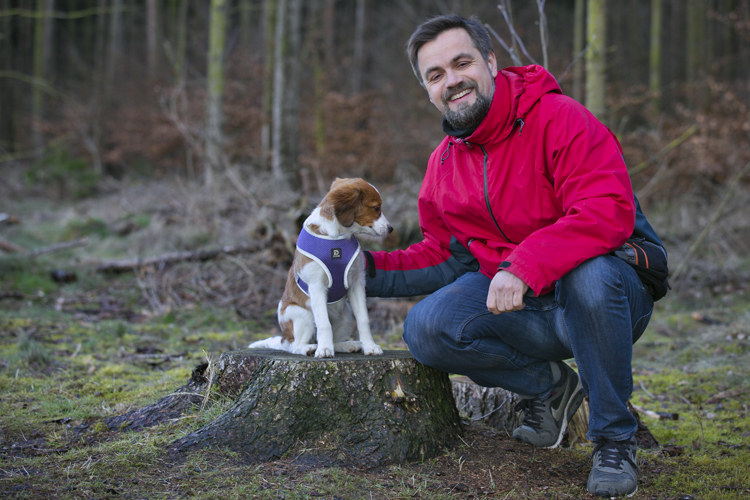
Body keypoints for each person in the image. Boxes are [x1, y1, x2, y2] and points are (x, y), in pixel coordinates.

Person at [363, 14, 667, 498]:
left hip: (607, 298)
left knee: (589, 275)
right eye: (435, 75)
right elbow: (444, 257)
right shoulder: (442, 165)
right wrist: (361, 271)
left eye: (461, 63)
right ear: (426, 90)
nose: (452, 80)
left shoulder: (558, 116)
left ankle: (614, 439)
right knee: (426, 327)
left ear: (490, 61)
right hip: (524, 311)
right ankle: (549, 387)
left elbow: (606, 209)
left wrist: (524, 265)